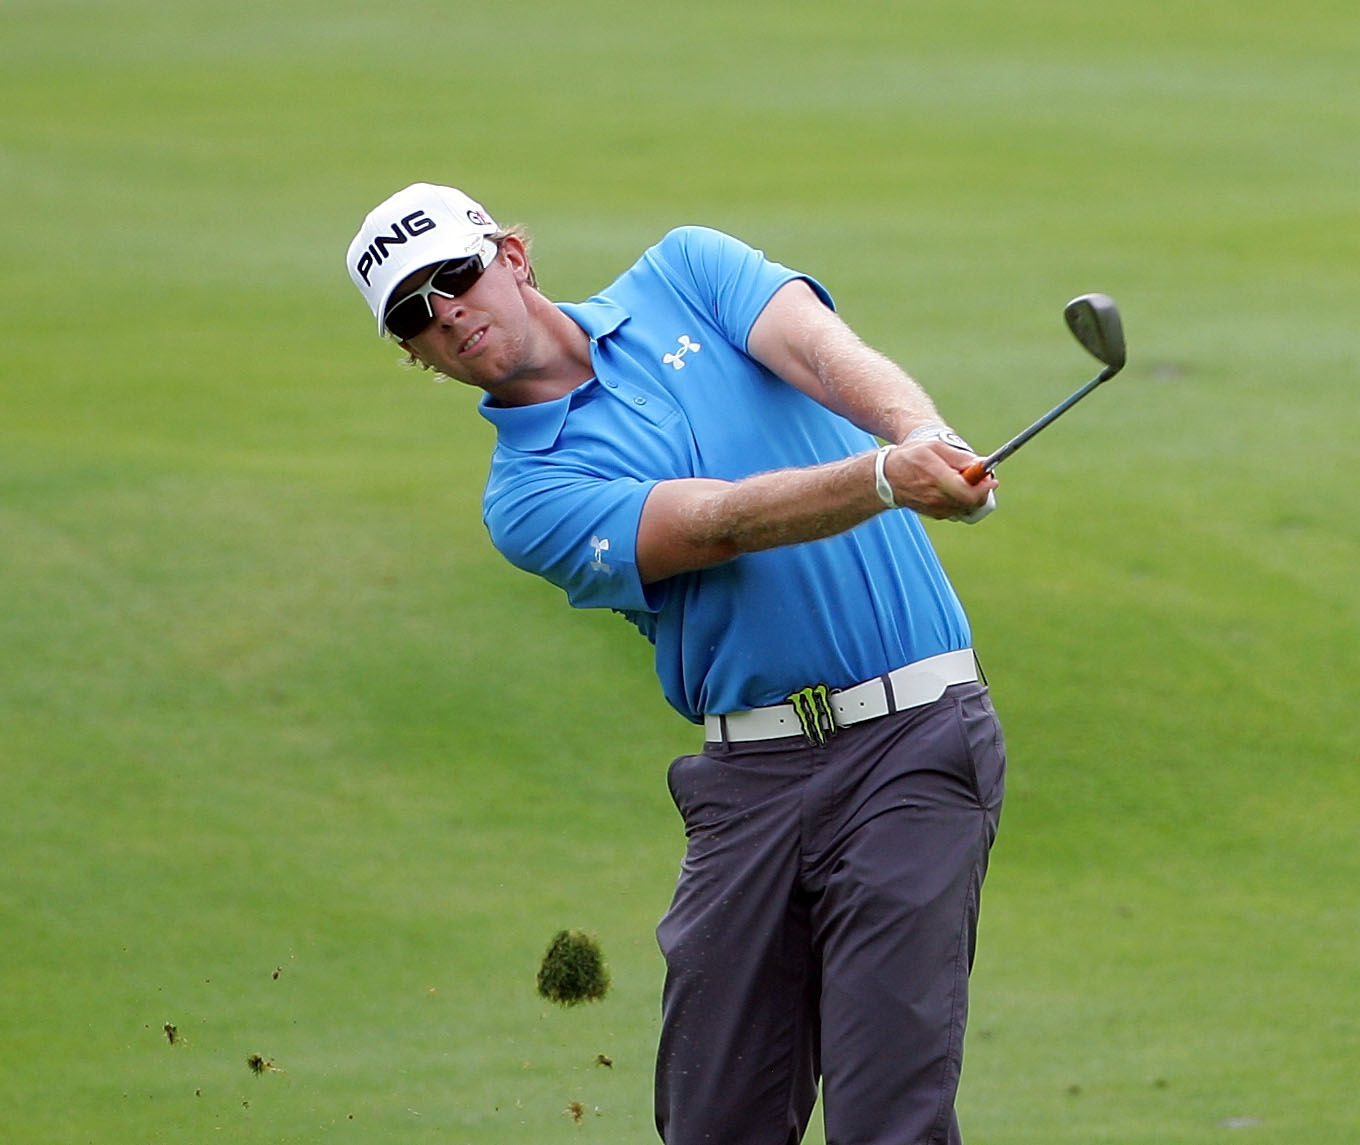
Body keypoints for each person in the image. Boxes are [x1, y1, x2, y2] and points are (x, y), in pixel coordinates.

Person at [346, 183, 1006, 1145]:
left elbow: (825, 355)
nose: (445, 311)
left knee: (887, 1119)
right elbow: (712, 524)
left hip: (912, 742)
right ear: (413, 352)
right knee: (714, 1119)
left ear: (513, 258)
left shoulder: (687, 271)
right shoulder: (527, 495)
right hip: (749, 780)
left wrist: (921, 435)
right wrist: (880, 477)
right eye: (413, 312)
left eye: (455, 275)